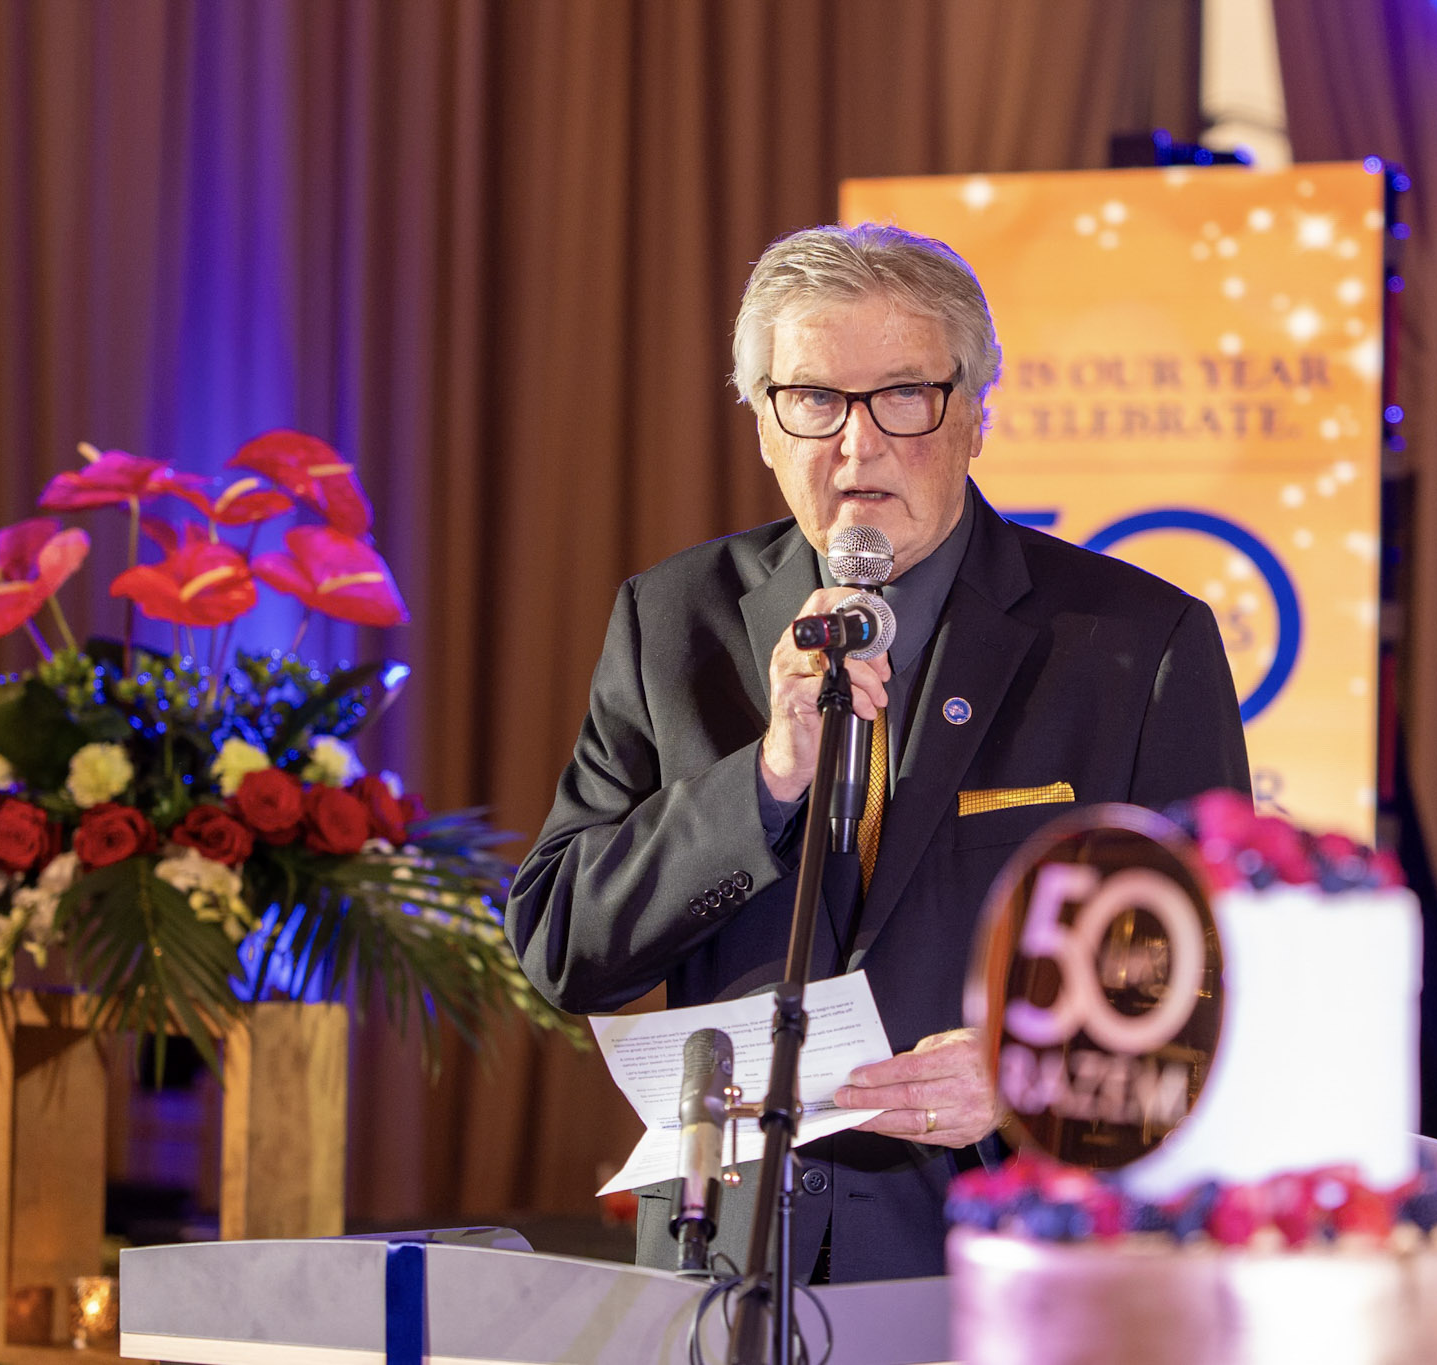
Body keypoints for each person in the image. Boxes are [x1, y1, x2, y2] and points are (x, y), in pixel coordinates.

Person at [505, 222, 1250, 1283]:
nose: (856, 445)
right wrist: (764, 779)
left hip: (1006, 1257)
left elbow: (1223, 970)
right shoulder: (671, 622)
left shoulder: (1136, 643)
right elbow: (562, 945)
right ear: (762, 424)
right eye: (813, 399)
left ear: (975, 415)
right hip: (731, 1257)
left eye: (904, 395)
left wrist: (1033, 1074)